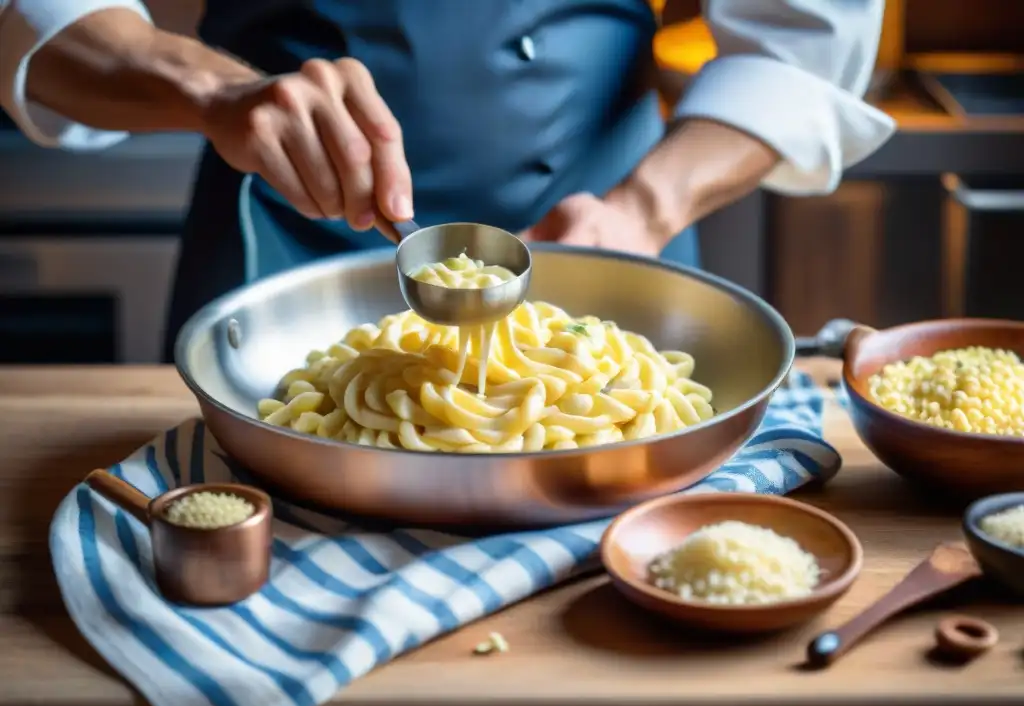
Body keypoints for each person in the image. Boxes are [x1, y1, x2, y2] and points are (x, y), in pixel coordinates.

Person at [0, 1, 894, 361]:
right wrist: (215, 89)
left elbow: (802, 35)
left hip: (609, 238)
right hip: (275, 251)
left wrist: (644, 207)